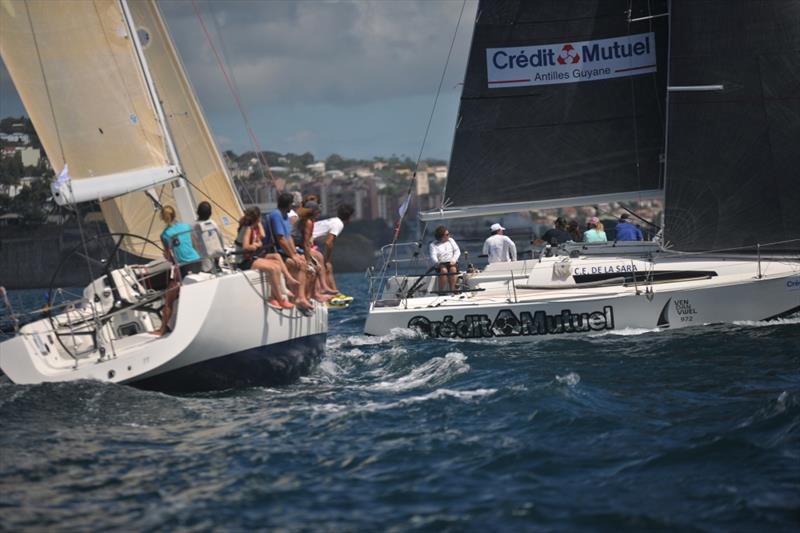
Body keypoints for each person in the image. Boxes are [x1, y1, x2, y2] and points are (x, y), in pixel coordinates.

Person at [233, 207, 296, 310]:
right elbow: (245, 247)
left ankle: (276, 295)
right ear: (257, 217)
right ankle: (279, 299)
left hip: (251, 257)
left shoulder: (254, 227)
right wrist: (255, 245)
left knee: (276, 264)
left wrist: (258, 224)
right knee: (273, 268)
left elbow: (262, 235)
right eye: (259, 218)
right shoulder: (248, 228)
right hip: (243, 261)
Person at [263, 192, 315, 312]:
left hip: (283, 253)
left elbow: (289, 238)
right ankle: (299, 298)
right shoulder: (276, 215)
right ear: (288, 205)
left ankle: (303, 297)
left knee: (303, 263)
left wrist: (295, 255)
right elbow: (281, 239)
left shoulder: (285, 216)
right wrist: (292, 256)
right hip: (271, 252)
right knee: (299, 265)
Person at [155, 205, 202, 336]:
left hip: (183, 267)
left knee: (169, 298)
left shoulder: (164, 235)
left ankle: (162, 329)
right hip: (197, 262)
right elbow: (195, 246)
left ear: (162, 218)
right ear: (175, 214)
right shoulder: (186, 227)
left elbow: (170, 257)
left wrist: (168, 257)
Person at [293, 200, 338, 302]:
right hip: (297, 248)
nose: (319, 213)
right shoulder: (308, 222)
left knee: (319, 257)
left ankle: (321, 287)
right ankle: (315, 292)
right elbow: (305, 243)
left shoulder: (307, 221)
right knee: (315, 266)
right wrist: (309, 261)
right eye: (317, 211)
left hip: (299, 247)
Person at [312, 204, 355, 299]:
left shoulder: (333, 220)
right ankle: (332, 293)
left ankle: (333, 293)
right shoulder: (339, 224)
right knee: (326, 265)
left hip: (310, 242)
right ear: (350, 217)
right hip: (307, 242)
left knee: (327, 266)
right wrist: (326, 259)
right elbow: (328, 243)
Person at [429, 225, 460, 293]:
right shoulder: (433, 245)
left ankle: (453, 290)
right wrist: (437, 263)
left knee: (453, 269)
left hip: (451, 261)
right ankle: (441, 291)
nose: (449, 235)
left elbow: (457, 251)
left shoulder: (451, 240)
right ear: (442, 236)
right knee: (444, 271)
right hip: (441, 263)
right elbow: (433, 255)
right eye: (447, 234)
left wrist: (454, 260)